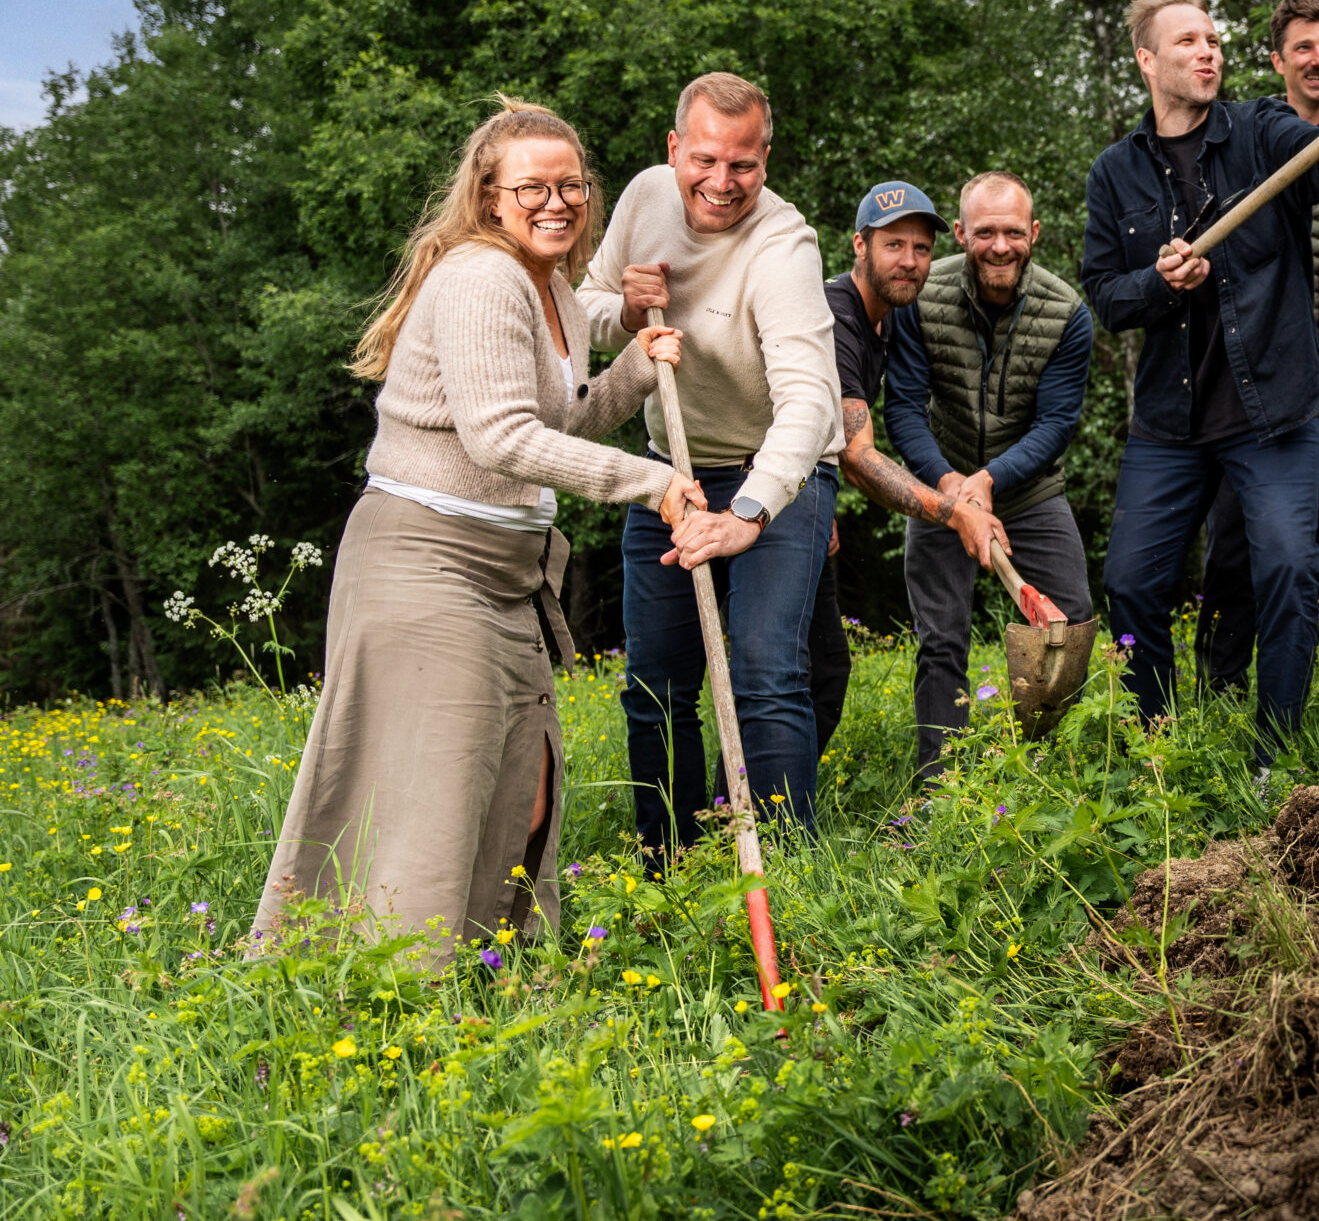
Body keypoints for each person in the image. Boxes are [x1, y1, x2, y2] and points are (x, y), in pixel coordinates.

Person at [255, 100, 700, 963]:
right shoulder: (479, 277)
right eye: (531, 185)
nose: (555, 202)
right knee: (438, 791)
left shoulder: (555, 291)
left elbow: (560, 424)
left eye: (570, 184)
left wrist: (638, 366)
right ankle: (390, 989)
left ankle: (492, 969)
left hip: (506, 572)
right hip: (426, 559)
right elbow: (500, 440)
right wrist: (652, 483)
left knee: (524, 788)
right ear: (491, 195)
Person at [1083, 0, 1319, 765]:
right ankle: (1158, 744)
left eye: (1213, 39)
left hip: (1274, 412)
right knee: (1131, 582)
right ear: (1146, 61)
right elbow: (1106, 294)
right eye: (1188, 42)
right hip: (1171, 424)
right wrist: (1161, 283)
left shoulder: (1262, 130)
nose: (1208, 51)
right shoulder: (1115, 174)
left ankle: (1273, 756)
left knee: (1289, 571)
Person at [577, 73, 841, 863]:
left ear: (766, 156)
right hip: (674, 470)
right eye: (704, 160)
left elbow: (811, 404)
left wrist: (750, 512)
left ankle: (786, 871)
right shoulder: (645, 197)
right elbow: (584, 309)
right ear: (673, 149)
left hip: (777, 474)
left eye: (743, 165)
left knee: (764, 670)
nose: (720, 183)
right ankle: (669, 865)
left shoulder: (784, 246)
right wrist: (624, 310)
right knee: (655, 685)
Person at [886, 171, 1093, 773]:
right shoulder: (920, 298)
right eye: (984, 233)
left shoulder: (1066, 313)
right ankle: (939, 786)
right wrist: (950, 487)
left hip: (1028, 491)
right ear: (960, 234)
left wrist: (989, 480)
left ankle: (1049, 770)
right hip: (938, 483)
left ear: (1033, 233)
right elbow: (900, 405)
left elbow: (1056, 423)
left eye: (1011, 232)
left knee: (1069, 619)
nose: (999, 246)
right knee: (941, 636)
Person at [1194, 0, 1319, 688]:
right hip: (1262, 377)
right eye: (1304, 48)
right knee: (1234, 536)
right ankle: (1221, 683)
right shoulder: (1248, 142)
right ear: (1277, 60)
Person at [807, 181, 1010, 761]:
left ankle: (774, 817)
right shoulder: (835, 317)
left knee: (823, 675)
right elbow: (857, 455)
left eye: (922, 249)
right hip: (740, 491)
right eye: (894, 245)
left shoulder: (889, 320)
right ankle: (741, 819)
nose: (911, 262)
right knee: (788, 676)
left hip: (797, 496)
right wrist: (952, 511)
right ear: (859, 246)